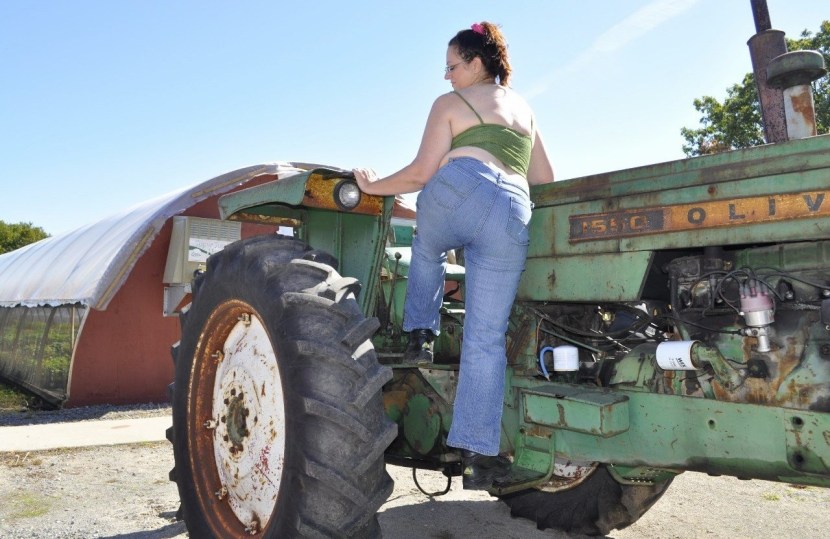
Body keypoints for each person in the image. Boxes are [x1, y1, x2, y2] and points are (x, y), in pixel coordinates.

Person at [353, 21, 555, 490]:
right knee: (486, 338)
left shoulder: (450, 104)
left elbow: (422, 172)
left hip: (462, 188)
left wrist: (372, 184)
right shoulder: (525, 110)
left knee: (426, 243)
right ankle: (479, 455)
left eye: (452, 66)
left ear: (476, 62)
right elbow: (544, 178)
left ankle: (420, 331)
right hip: (513, 210)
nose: (446, 76)